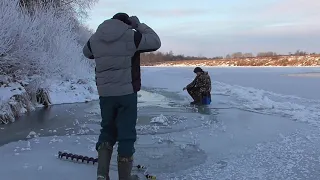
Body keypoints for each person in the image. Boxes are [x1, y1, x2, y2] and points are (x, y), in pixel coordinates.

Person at [82, 12, 161, 180]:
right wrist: (139, 25)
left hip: (105, 94)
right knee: (126, 135)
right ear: (127, 23)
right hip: (126, 93)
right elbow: (155, 41)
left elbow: (86, 52)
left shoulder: (96, 38)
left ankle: (102, 175)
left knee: (107, 130)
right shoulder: (131, 36)